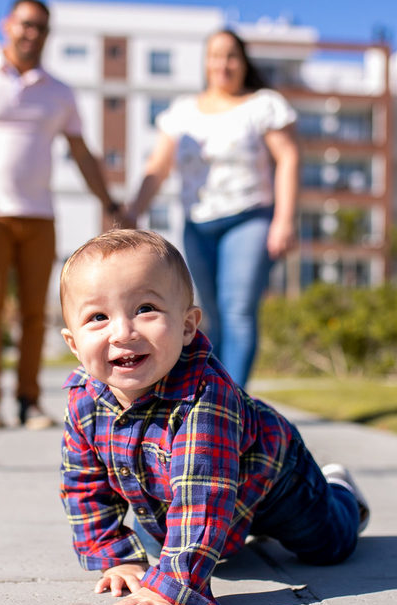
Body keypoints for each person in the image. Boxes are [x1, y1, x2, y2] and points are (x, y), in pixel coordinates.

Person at [58, 229, 369, 605]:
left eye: (146, 308)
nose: (123, 332)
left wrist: (170, 585)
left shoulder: (204, 397)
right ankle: (229, 533)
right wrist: (115, 558)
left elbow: (202, 494)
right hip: (200, 490)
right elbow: (84, 483)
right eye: (98, 317)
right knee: (175, 546)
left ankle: (340, 491)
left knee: (329, 547)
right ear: (73, 342)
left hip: (276, 478)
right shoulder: (83, 401)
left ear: (188, 326)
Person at [0, 0, 121, 430]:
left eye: (40, 27)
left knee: (37, 310)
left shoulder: (58, 90)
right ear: (7, 26)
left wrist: (108, 203)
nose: (31, 33)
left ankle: (29, 400)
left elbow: (81, 152)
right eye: (25, 24)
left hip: (39, 214)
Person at [127, 29, 300, 388]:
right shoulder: (182, 113)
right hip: (198, 223)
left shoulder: (262, 104)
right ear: (206, 63)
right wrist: (132, 212)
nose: (224, 63)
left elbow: (288, 157)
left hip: (249, 216)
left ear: (243, 62)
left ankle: (233, 402)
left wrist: (284, 220)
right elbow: (158, 168)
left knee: (238, 310)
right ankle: (213, 396)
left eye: (232, 56)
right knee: (210, 316)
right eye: (216, 56)